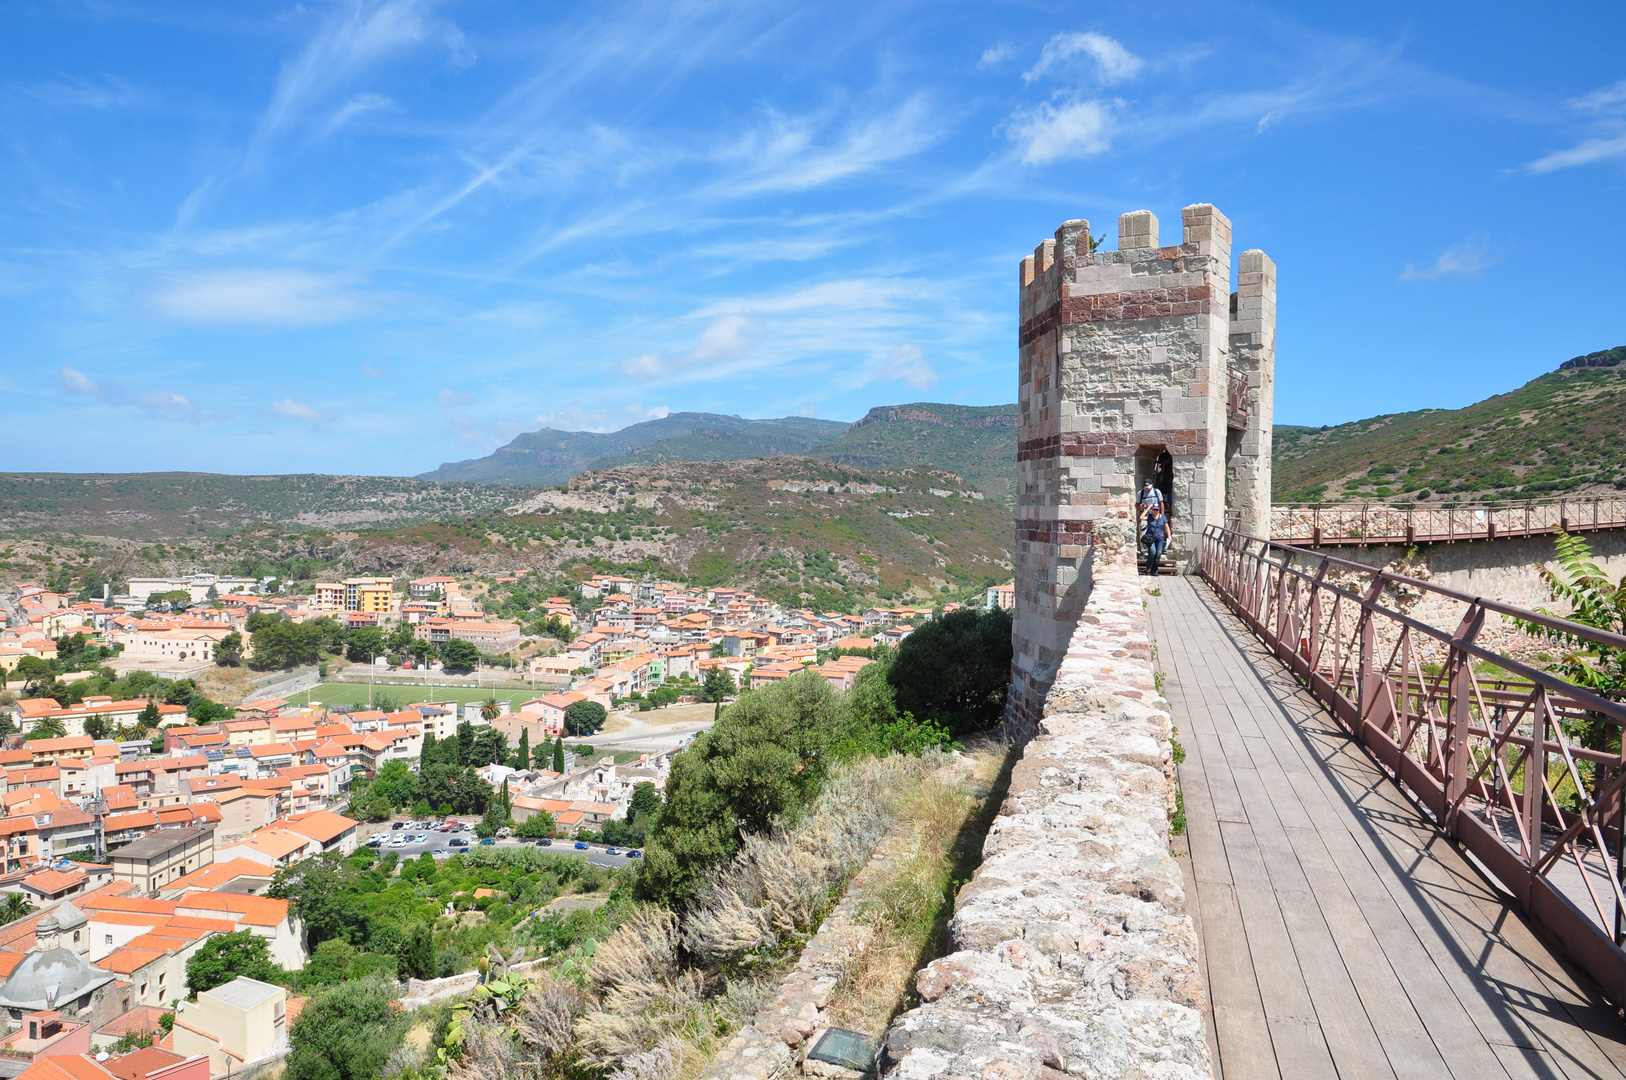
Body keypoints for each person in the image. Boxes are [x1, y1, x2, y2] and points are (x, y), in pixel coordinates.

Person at [1143, 506, 1170, 577]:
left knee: (1158, 554)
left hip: (1160, 537)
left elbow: (1167, 527)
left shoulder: (1163, 517)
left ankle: (1155, 570)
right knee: (1152, 552)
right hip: (1150, 537)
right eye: (1154, 509)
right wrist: (1148, 508)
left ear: (1159, 509)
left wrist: (1169, 536)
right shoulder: (1149, 516)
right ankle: (1148, 567)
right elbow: (1141, 518)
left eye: (1157, 509)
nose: (1155, 511)